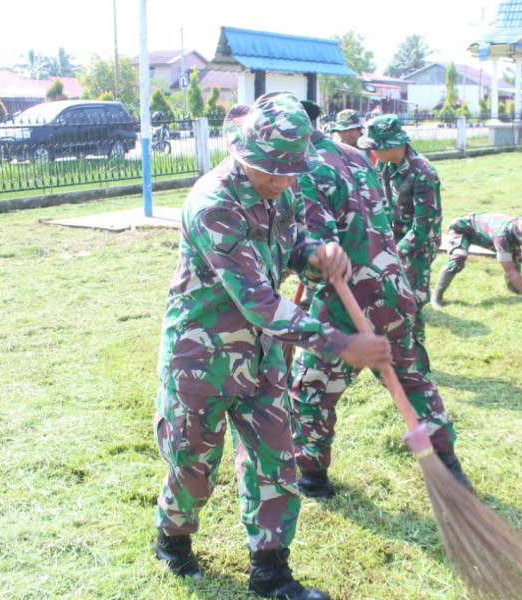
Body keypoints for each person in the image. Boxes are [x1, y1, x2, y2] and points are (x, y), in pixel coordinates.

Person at [152, 91, 391, 600]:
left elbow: (289, 248)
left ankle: (271, 573)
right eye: (273, 171)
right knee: (195, 464)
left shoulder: (280, 191)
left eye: (290, 172)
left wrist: (318, 254)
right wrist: (338, 342)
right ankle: (172, 537)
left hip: (262, 355)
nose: (283, 182)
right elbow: (259, 299)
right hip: (203, 358)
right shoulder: (213, 203)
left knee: (275, 462)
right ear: (243, 155)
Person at [289, 100, 470, 499]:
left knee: (311, 387)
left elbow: (319, 251)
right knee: (413, 380)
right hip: (394, 287)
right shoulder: (357, 156)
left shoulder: (301, 168)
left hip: (346, 302)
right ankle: (451, 471)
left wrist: (300, 261)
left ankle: (312, 476)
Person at [358, 114, 442, 347]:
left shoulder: (423, 173)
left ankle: (416, 358)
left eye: (376, 147)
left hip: (418, 246)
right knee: (388, 295)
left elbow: (424, 225)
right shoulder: (383, 164)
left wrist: (397, 251)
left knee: (411, 300)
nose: (372, 152)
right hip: (392, 239)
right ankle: (398, 349)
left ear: (392, 145)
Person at [431, 212, 522, 309]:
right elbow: (510, 271)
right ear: (519, 235)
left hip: (486, 234)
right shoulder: (502, 237)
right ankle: (436, 296)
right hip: (463, 228)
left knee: (515, 257)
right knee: (458, 257)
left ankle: (516, 290)